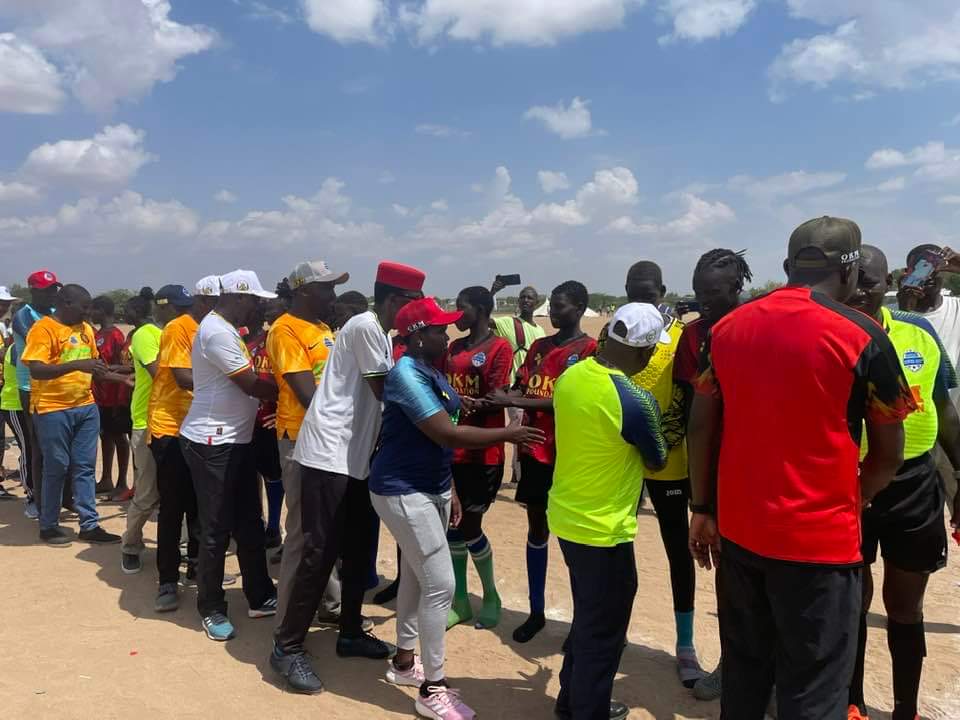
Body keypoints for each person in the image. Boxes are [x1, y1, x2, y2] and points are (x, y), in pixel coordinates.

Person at [688, 216, 916, 719]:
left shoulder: (726, 329)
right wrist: (856, 496)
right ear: (852, 271)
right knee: (813, 690)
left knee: (745, 677)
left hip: (741, 536)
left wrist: (702, 508)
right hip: (820, 548)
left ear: (789, 266)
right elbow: (889, 452)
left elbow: (701, 426)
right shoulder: (863, 334)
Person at [371, 297, 544, 720]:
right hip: (401, 488)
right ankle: (432, 688)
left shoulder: (430, 370)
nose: (446, 334)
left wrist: (447, 488)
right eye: (437, 329)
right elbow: (445, 432)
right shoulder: (406, 374)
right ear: (415, 337)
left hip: (428, 486)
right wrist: (507, 435)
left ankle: (404, 662)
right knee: (441, 585)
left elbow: (441, 432)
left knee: (416, 575)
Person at [270, 260, 424, 695]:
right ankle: (287, 647)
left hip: (356, 458)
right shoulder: (365, 327)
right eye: (415, 306)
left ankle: (351, 631)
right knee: (320, 552)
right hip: (328, 456)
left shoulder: (373, 330)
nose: (333, 298)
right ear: (398, 301)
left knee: (358, 549)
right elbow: (389, 393)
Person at [846, 245, 960, 720]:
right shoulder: (825, 339)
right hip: (847, 487)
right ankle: (851, 703)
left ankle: (904, 709)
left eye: (870, 282)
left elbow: (945, 410)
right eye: (853, 281)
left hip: (912, 483)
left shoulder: (920, 333)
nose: (860, 292)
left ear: (886, 283)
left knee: (904, 605)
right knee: (852, 598)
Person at [549, 303, 670, 720]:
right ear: (645, 353)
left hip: (566, 517)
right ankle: (587, 710)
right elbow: (656, 459)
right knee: (604, 630)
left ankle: (572, 700)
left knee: (588, 616)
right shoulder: (635, 400)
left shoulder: (572, 375)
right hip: (604, 530)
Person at [598, 261, 703, 687]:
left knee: (678, 549)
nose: (641, 297)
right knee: (610, 545)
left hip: (668, 461)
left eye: (648, 291)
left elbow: (687, 398)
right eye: (633, 291)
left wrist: (666, 442)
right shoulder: (613, 334)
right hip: (621, 459)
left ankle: (685, 643)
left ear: (661, 289)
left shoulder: (677, 337)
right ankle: (607, 633)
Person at [486, 280, 597, 644]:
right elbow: (525, 386)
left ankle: (581, 622)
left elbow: (565, 402)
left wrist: (513, 403)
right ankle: (536, 612)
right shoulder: (539, 346)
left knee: (573, 540)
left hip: (568, 454)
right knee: (537, 529)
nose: (552, 311)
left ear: (580, 307)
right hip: (535, 451)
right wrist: (501, 395)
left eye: (561, 306)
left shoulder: (589, 351)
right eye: (552, 306)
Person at [180, 269, 279, 642]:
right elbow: (250, 383)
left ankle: (259, 594)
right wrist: (293, 389)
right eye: (254, 300)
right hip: (211, 442)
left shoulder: (226, 329)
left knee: (250, 522)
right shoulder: (216, 331)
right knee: (216, 528)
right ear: (238, 296)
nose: (256, 308)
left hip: (236, 440)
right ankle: (211, 606)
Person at [673, 248, 753, 702]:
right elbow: (692, 407)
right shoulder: (694, 335)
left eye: (714, 293)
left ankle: (775, 673)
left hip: (757, 464)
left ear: (737, 288)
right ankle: (731, 664)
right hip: (715, 469)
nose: (704, 301)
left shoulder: (759, 326)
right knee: (726, 571)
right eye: (699, 292)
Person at [267, 261, 349, 634]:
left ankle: (329, 604)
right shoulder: (285, 331)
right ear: (303, 291)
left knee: (327, 528)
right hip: (301, 438)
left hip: (328, 437)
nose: (332, 296)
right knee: (302, 531)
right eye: (325, 288)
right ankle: (286, 624)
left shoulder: (322, 328)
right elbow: (307, 395)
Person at [21, 284, 128, 546]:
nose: (88, 311)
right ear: (66, 303)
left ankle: (89, 525)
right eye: (83, 306)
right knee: (56, 466)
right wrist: (76, 365)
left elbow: (94, 367)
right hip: (52, 409)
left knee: (84, 467)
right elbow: (37, 369)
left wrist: (121, 379)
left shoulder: (85, 330)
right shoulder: (43, 329)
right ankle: (48, 525)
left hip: (85, 407)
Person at [444, 286, 513, 630]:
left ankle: (490, 595)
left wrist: (460, 400)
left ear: (482, 309)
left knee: (470, 524)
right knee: (451, 527)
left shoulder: (500, 347)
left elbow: (498, 396)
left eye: (462, 307)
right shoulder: (454, 347)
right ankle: (459, 600)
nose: (457, 314)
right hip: (450, 447)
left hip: (483, 451)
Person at [148, 284, 204, 612]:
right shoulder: (176, 328)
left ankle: (196, 565)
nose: (184, 311)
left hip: (196, 428)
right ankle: (168, 579)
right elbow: (183, 378)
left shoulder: (200, 327)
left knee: (199, 504)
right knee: (173, 508)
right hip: (170, 428)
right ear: (163, 309)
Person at [118, 288, 163, 574]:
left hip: (171, 421)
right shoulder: (146, 334)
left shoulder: (161, 333)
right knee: (147, 492)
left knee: (180, 493)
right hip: (147, 422)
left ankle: (185, 551)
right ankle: (130, 545)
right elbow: (160, 373)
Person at [12, 270, 62, 519]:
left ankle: (55, 497)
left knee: (56, 445)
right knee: (37, 446)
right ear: (33, 291)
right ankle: (34, 497)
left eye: (55, 289)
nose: (53, 294)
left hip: (55, 386)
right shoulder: (23, 316)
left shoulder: (54, 314)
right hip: (30, 388)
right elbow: (40, 339)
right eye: (48, 290)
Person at [491, 283, 545, 486]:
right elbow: (484, 319)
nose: (525, 301)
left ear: (537, 302)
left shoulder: (539, 330)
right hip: (516, 388)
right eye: (522, 297)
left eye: (530, 298)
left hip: (534, 389)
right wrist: (493, 292)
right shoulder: (509, 323)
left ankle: (517, 474)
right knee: (520, 431)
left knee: (523, 431)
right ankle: (520, 476)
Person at [90, 295, 133, 501]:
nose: (90, 313)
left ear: (102, 310)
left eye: (93, 310)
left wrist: (119, 399)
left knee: (119, 437)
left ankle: (122, 481)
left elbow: (123, 365)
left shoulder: (116, 335)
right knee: (105, 436)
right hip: (99, 396)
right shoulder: (98, 334)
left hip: (114, 395)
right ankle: (106, 478)